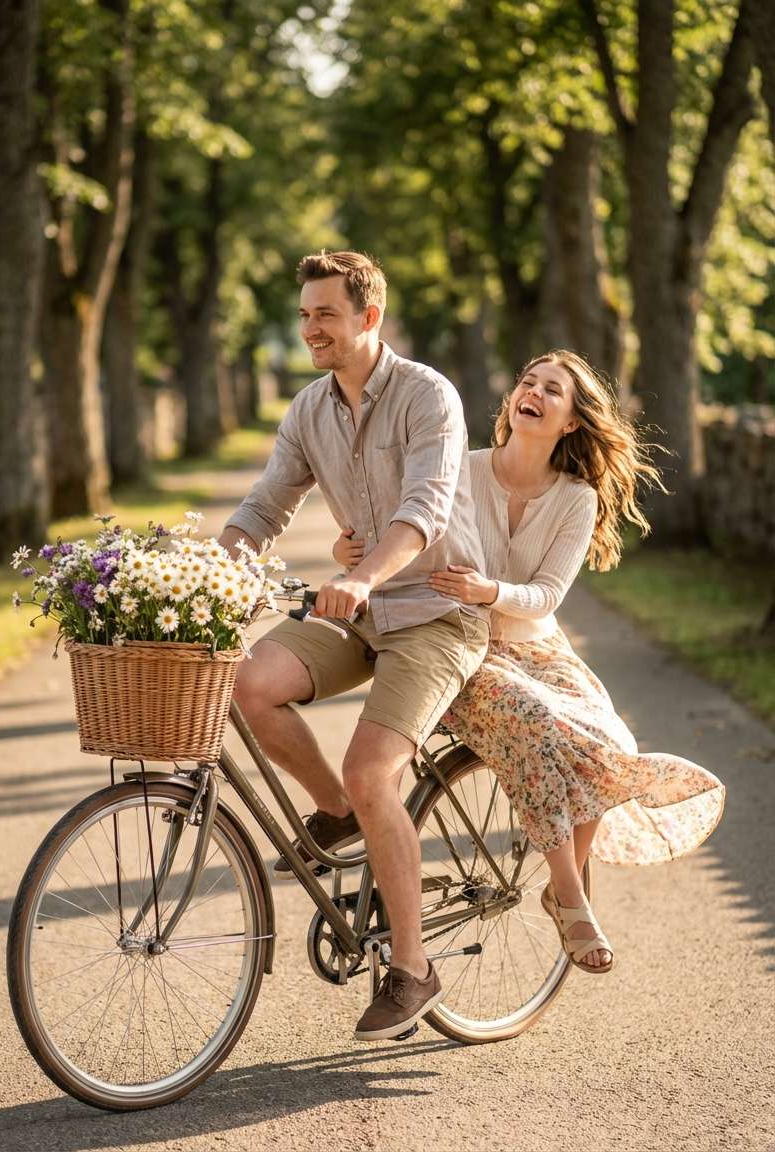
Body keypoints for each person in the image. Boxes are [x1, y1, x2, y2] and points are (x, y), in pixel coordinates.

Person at [334, 349, 725, 974]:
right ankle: (570, 894)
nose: (533, 392)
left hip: (537, 643)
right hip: (457, 640)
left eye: (552, 390)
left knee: (608, 737)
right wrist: (347, 546)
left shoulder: (577, 499)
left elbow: (546, 595)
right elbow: (394, 527)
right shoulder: (459, 470)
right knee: (537, 723)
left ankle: (555, 887)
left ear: (571, 421)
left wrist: (489, 589)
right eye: (528, 382)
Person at [218, 250, 490, 1040]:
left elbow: (425, 509)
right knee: (247, 680)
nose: (310, 330)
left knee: (375, 767)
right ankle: (335, 813)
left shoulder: (426, 395)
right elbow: (266, 503)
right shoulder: (310, 409)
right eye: (304, 316)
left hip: (436, 612)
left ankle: (413, 969)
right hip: (360, 608)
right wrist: (204, 578)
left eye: (325, 316)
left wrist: (366, 578)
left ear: (369, 318)